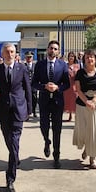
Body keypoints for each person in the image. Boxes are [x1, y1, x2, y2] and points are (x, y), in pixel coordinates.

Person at [0, 42, 32, 192]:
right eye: (7, 52)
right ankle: (15, 157)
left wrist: (29, 110)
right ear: (3, 54)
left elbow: (28, 90)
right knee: (9, 141)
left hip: (19, 110)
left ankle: (10, 180)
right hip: (4, 112)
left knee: (14, 141)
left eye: (12, 51)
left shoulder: (22, 69)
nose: (10, 54)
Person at [32, 40, 70, 169]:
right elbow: (34, 83)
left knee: (57, 129)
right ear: (47, 49)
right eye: (51, 48)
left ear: (58, 51)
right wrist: (44, 86)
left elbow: (67, 84)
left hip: (57, 101)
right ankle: (47, 141)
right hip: (44, 100)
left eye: (55, 49)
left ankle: (56, 156)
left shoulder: (63, 65)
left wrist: (57, 87)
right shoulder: (39, 65)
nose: (52, 50)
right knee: (44, 126)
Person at [73, 49, 96, 169]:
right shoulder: (80, 73)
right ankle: (87, 149)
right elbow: (78, 89)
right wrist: (87, 101)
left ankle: (92, 159)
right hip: (83, 105)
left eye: (92, 57)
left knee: (95, 132)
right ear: (84, 59)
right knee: (84, 131)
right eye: (87, 57)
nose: (89, 59)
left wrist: (94, 101)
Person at [63, 51, 80, 122]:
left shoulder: (77, 66)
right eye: (70, 56)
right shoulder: (65, 65)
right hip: (67, 86)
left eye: (72, 56)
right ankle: (70, 115)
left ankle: (77, 115)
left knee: (75, 101)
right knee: (68, 101)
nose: (71, 57)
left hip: (74, 86)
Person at [24, 51, 38, 118]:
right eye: (27, 57)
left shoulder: (35, 66)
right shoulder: (23, 66)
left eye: (30, 57)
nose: (29, 58)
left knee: (34, 99)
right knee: (26, 99)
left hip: (33, 85)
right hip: (25, 86)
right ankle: (27, 113)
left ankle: (34, 111)